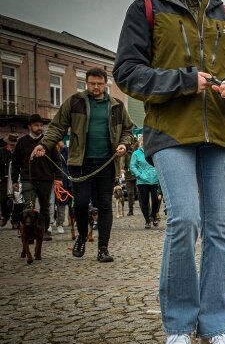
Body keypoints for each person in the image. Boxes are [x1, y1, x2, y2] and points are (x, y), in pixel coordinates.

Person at [113, 0, 225, 344]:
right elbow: (127, 72)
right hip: (171, 131)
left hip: (221, 131)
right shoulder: (146, 9)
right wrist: (182, 80)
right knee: (185, 221)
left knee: (219, 228)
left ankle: (215, 325)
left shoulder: (224, 13)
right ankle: (178, 324)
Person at [33, 68, 134, 262]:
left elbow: (128, 130)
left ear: (106, 84)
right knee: (80, 203)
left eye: (99, 83)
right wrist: (43, 145)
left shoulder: (117, 106)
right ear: (86, 83)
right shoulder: (74, 102)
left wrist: (124, 143)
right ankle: (81, 235)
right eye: (92, 83)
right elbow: (57, 127)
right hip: (80, 163)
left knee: (105, 205)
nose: (95, 87)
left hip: (106, 163)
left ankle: (103, 249)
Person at [12, 114, 55, 241]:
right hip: (28, 179)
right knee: (28, 207)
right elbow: (15, 162)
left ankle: (44, 230)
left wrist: (57, 178)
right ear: (29, 126)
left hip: (45, 179)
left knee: (45, 207)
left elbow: (57, 160)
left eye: (41, 125)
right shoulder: (22, 142)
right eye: (36, 125)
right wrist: (15, 180)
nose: (39, 127)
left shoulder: (48, 142)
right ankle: (28, 233)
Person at [130, 136, 161, 229]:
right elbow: (132, 166)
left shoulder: (154, 151)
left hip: (155, 180)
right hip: (142, 182)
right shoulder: (136, 153)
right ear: (140, 142)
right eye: (143, 140)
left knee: (156, 200)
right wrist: (140, 175)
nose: (145, 141)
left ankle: (153, 216)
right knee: (144, 202)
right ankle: (147, 220)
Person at [0, 134, 16, 227]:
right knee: (2, 200)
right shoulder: (1, 151)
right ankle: (5, 216)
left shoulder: (17, 152)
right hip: (4, 179)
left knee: (16, 201)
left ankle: (15, 220)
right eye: (11, 143)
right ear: (7, 143)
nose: (12, 145)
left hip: (15, 179)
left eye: (13, 144)